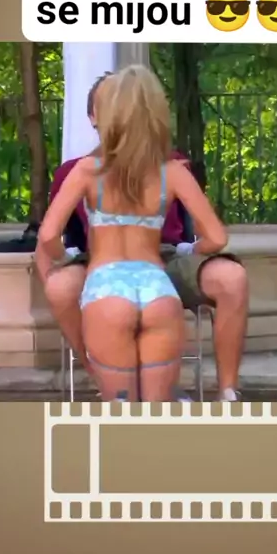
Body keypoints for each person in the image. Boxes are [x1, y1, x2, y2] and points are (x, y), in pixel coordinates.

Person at [38, 72, 249, 400]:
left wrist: (65, 258)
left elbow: (48, 235)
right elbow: (217, 238)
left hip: (106, 286)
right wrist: (190, 249)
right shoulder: (173, 171)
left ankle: (114, 391)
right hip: (157, 288)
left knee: (122, 411)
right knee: (156, 412)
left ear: (106, 114)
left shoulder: (86, 170)